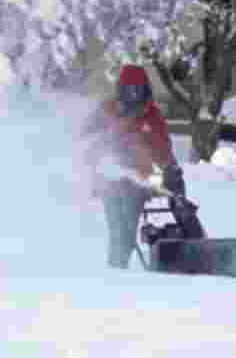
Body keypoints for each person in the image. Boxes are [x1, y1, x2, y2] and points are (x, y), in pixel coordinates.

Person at [81, 64, 205, 268]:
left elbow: (163, 149)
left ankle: (196, 246)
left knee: (179, 202)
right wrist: (100, 157)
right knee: (120, 233)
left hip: (141, 183)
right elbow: (85, 139)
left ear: (145, 89)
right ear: (121, 90)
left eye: (138, 89)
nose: (134, 95)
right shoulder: (106, 111)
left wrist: (171, 171)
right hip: (111, 183)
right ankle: (116, 270)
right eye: (130, 90)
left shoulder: (152, 116)